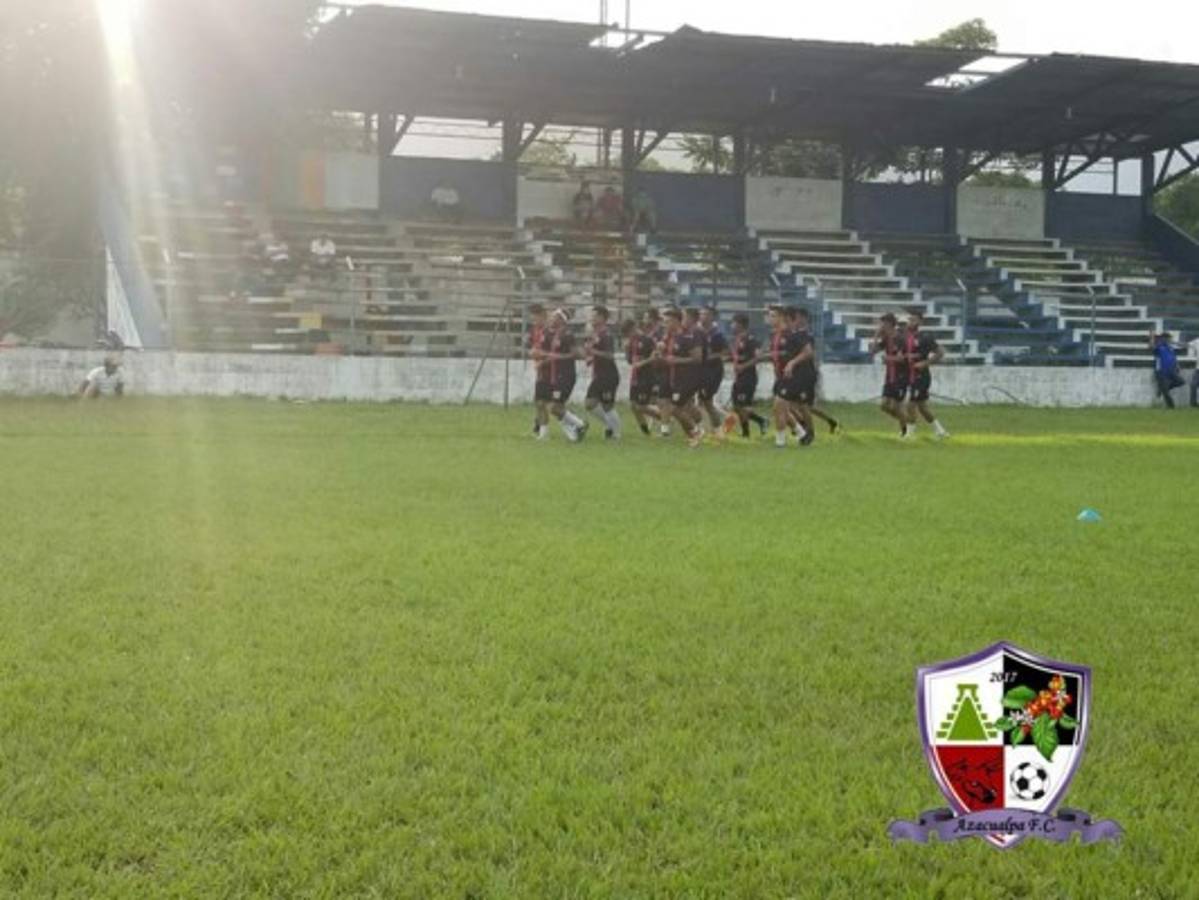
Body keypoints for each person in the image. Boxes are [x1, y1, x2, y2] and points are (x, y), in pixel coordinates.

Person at [657, 306, 705, 448]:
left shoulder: (688, 336)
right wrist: (660, 355)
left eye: (667, 322)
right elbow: (667, 357)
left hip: (688, 378)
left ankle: (697, 431)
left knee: (675, 408)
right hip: (675, 377)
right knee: (684, 407)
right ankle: (697, 431)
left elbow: (697, 358)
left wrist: (677, 360)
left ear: (677, 321)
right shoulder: (669, 338)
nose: (665, 325)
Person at [766, 305, 808, 449]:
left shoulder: (791, 334)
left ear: (781, 317)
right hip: (780, 376)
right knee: (779, 408)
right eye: (769, 316)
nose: (769, 319)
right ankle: (802, 434)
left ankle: (780, 442)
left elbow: (807, 352)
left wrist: (792, 363)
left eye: (772, 316)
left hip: (792, 376)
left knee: (779, 405)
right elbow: (776, 356)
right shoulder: (774, 335)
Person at [544, 308, 589, 442]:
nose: (551, 319)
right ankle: (574, 435)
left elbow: (575, 354)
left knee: (554, 407)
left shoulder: (567, 335)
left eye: (554, 317)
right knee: (558, 407)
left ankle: (580, 424)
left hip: (565, 375)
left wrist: (557, 356)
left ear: (561, 319)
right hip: (557, 375)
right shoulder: (555, 335)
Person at [903, 309, 949, 439]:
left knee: (910, 404)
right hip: (910, 375)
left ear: (920, 322)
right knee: (922, 407)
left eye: (913, 320)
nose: (910, 322)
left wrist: (926, 363)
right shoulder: (905, 336)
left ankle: (909, 434)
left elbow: (940, 352)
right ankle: (940, 431)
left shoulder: (925, 337)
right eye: (909, 320)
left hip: (921, 376)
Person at [727, 312, 769, 438]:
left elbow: (758, 357)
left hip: (748, 377)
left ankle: (747, 432)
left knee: (743, 406)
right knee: (737, 406)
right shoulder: (737, 339)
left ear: (740, 325)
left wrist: (743, 366)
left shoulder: (750, 339)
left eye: (733, 323)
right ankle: (761, 421)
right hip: (739, 377)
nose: (731, 326)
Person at [584, 305, 622, 439]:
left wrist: (592, 351)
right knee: (590, 403)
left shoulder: (607, 334)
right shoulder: (596, 334)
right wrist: (590, 358)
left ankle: (616, 434)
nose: (591, 318)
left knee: (607, 405)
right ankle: (611, 425)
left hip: (608, 375)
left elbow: (610, 355)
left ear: (602, 318)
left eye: (594, 316)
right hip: (600, 374)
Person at [870, 313, 909, 435]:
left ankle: (905, 431)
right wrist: (876, 336)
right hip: (889, 376)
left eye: (883, 323)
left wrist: (888, 359)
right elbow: (872, 351)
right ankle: (907, 423)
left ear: (890, 324)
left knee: (896, 406)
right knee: (884, 406)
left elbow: (903, 358)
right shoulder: (886, 339)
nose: (881, 326)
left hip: (901, 376)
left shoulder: (900, 339)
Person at [621, 318, 662, 435]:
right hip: (635, 377)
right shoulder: (630, 343)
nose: (628, 335)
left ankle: (664, 417)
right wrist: (625, 350)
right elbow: (631, 361)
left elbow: (656, 357)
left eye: (629, 331)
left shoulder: (647, 340)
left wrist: (645, 362)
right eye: (626, 333)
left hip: (647, 377)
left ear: (634, 327)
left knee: (641, 406)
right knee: (634, 406)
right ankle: (646, 433)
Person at [697, 304, 730, 431]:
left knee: (706, 401)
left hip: (712, 371)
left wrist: (711, 357)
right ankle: (708, 428)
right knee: (702, 401)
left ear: (712, 316)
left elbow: (726, 351)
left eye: (705, 314)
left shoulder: (717, 334)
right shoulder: (697, 331)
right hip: (700, 371)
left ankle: (716, 428)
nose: (702, 317)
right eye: (701, 314)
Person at [526, 304, 552, 439]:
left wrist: (540, 355)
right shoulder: (534, 331)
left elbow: (555, 353)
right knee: (540, 401)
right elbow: (530, 346)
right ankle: (540, 428)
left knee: (544, 402)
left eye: (536, 318)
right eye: (533, 318)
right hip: (541, 369)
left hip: (551, 369)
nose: (534, 321)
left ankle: (543, 432)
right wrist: (532, 352)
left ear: (543, 316)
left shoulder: (549, 332)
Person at [1149, 330, 1186, 409]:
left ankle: (1162, 389)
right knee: (1166, 394)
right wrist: (1152, 337)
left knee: (1181, 382)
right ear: (1163, 338)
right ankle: (1171, 407)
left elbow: (1173, 357)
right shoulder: (1159, 346)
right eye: (1168, 338)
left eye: (1169, 338)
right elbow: (1151, 347)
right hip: (1161, 372)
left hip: (1171, 370)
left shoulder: (1170, 348)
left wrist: (1177, 365)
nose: (1169, 340)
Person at [1189, 336, 1199, 408]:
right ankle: (1193, 404)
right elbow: (1187, 344)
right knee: (1193, 385)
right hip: (1198, 369)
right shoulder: (1197, 341)